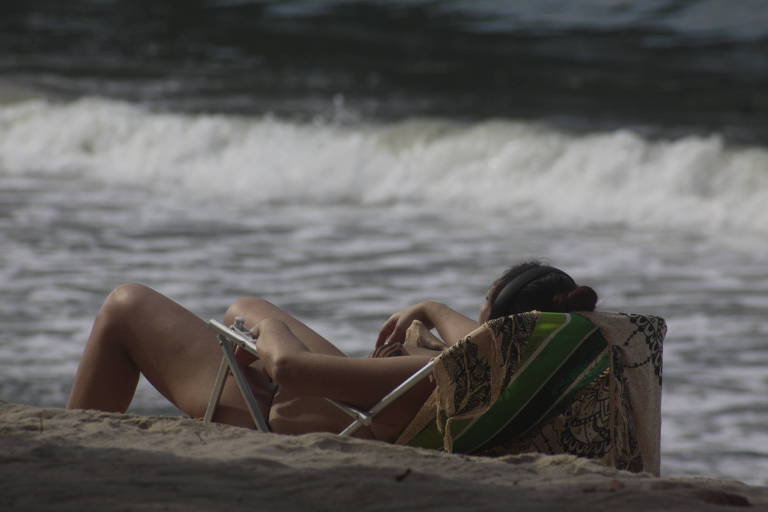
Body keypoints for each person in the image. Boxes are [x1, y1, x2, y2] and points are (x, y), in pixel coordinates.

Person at [66, 261, 598, 443]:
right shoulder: (519, 369)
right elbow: (491, 340)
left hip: (293, 418)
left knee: (126, 304)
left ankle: (76, 439)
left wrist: (267, 328)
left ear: (489, 323)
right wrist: (431, 315)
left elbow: (290, 368)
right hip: (342, 413)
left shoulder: (443, 368)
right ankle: (248, 326)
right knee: (245, 305)